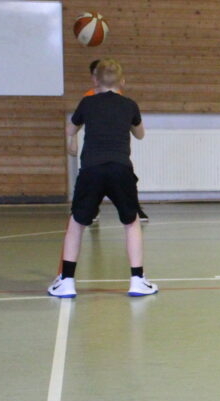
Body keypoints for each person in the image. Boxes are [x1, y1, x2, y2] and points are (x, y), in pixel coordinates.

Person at [48, 59, 158, 298]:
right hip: (120, 169)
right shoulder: (129, 104)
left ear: (94, 81)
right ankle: (137, 280)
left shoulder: (87, 103)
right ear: (123, 82)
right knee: (131, 222)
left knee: (77, 223)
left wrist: (74, 136)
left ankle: (67, 281)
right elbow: (140, 134)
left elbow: (70, 129)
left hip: (92, 170)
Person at [84, 59, 149, 223]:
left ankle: (135, 209)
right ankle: (92, 210)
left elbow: (137, 131)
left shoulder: (124, 103)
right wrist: (72, 141)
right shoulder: (89, 99)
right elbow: (76, 125)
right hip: (97, 156)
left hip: (115, 156)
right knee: (95, 182)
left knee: (126, 181)